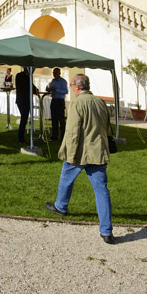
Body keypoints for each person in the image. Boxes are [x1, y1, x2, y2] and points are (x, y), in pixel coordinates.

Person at [45, 73, 114, 243]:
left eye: (71, 85)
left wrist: (70, 155)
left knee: (66, 179)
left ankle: (61, 206)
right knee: (102, 190)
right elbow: (106, 127)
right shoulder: (100, 102)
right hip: (98, 151)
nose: (71, 87)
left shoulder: (77, 102)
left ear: (77, 86)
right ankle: (106, 231)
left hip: (81, 152)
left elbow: (72, 131)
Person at [15, 67, 38, 145]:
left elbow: (31, 87)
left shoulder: (23, 76)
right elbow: (30, 87)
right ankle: (21, 139)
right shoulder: (22, 77)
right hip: (23, 101)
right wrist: (36, 91)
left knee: (24, 119)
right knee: (24, 119)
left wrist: (36, 90)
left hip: (24, 101)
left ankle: (21, 138)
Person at [46, 67, 69, 140]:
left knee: (61, 119)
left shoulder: (63, 81)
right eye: (53, 73)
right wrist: (48, 89)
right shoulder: (53, 81)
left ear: (59, 73)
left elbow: (66, 91)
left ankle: (63, 136)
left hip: (60, 101)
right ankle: (54, 135)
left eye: (55, 73)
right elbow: (51, 90)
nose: (54, 74)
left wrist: (57, 89)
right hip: (54, 100)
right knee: (54, 119)